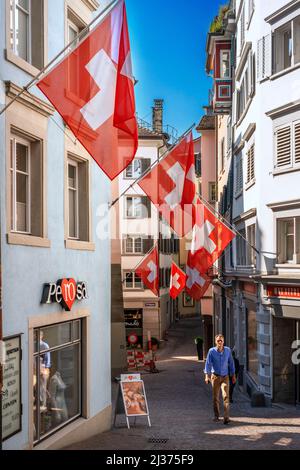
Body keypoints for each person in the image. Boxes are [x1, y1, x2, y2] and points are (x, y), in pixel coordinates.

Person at [204, 334, 236, 425]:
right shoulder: (211, 351)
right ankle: (216, 416)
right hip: (215, 377)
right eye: (218, 340)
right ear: (215, 342)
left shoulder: (228, 350)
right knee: (215, 398)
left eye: (221, 340)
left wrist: (233, 375)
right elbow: (208, 364)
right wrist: (207, 375)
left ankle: (226, 417)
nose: (220, 342)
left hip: (225, 377)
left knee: (226, 396)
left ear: (223, 341)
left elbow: (231, 363)